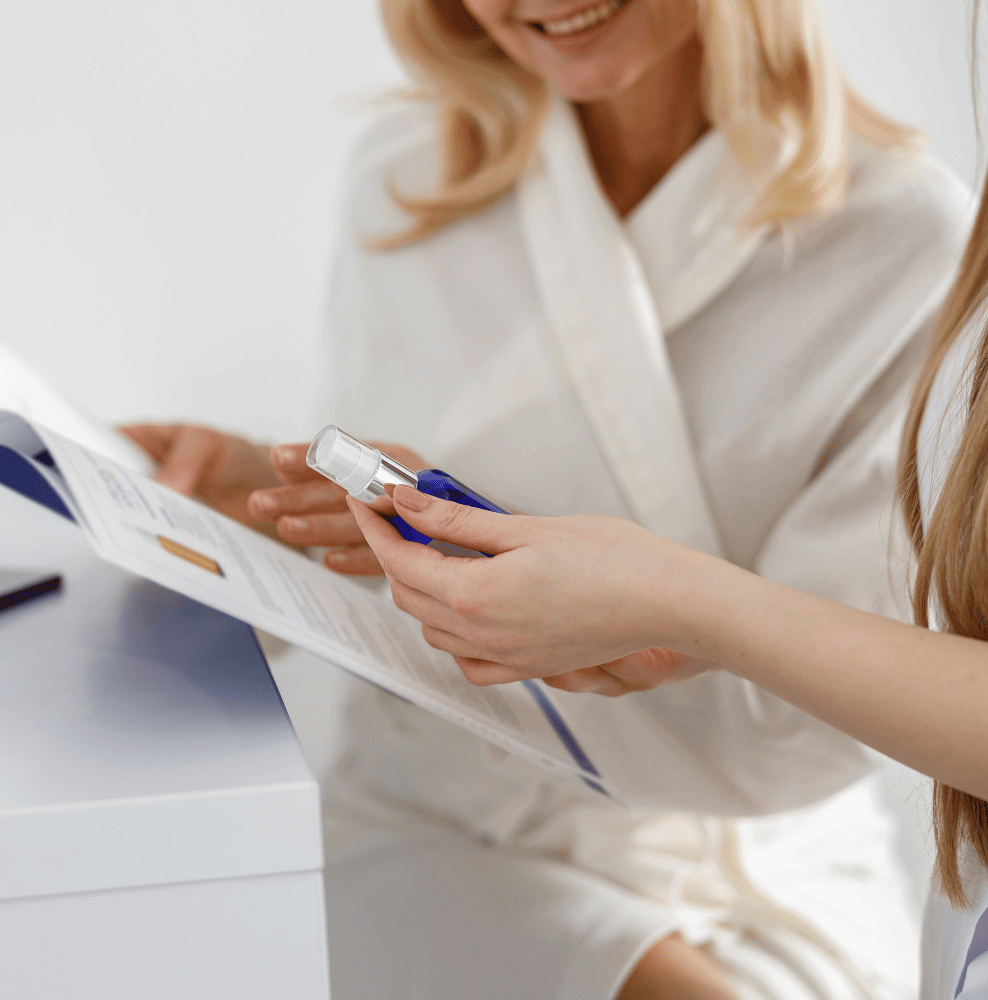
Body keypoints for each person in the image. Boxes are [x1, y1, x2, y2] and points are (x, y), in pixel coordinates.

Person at [123, 0, 971, 997]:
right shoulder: (406, 173)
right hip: (437, 818)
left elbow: (823, 715)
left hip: (759, 854)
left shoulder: (909, 242)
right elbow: (376, 546)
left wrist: (638, 607)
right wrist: (260, 491)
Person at [342, 131, 988, 1000]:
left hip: (742, 833)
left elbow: (804, 719)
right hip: (439, 795)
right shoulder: (408, 176)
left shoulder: (906, 229)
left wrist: (675, 598)